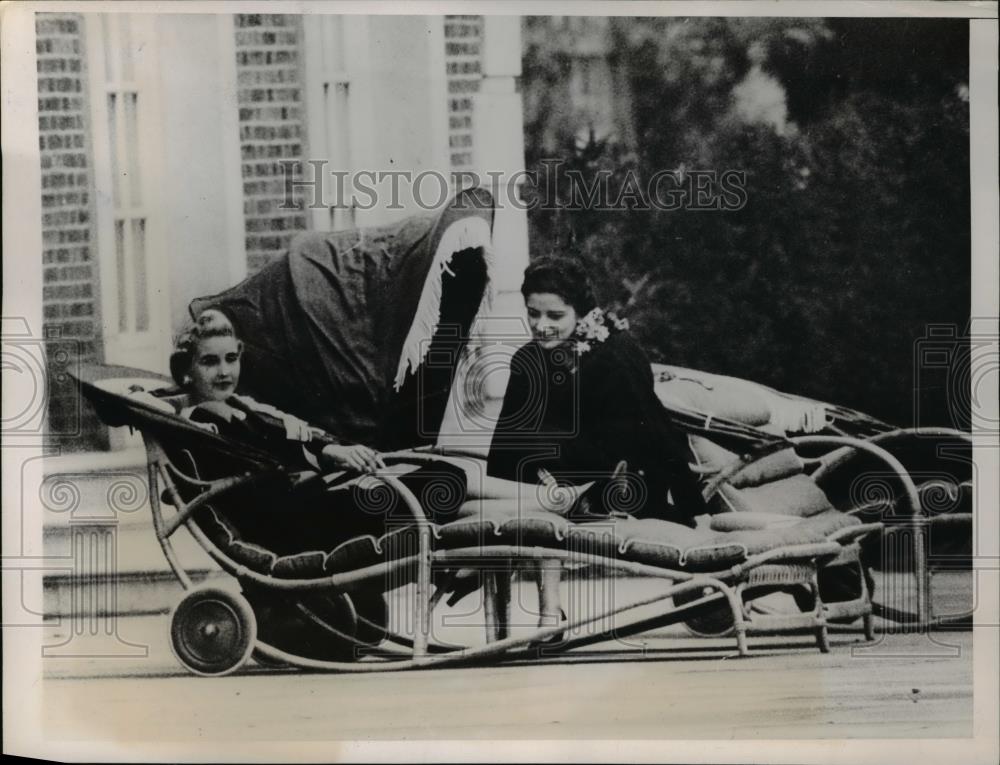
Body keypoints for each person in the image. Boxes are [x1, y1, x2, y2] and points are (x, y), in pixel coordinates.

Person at [161, 310, 591, 550]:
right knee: (441, 481)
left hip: (318, 502)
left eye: (230, 359)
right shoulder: (203, 425)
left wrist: (332, 453)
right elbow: (262, 470)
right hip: (298, 521)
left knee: (441, 483)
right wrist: (329, 456)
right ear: (186, 372)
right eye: (209, 362)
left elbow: (300, 436)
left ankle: (546, 509)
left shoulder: (243, 407)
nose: (224, 372)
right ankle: (548, 502)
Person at [487, 256, 707, 526]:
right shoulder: (528, 358)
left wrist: (694, 507)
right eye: (533, 313)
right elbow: (504, 441)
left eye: (555, 316)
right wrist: (491, 511)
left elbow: (656, 429)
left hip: (620, 480)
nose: (541, 326)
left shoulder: (615, 355)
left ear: (581, 312)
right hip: (546, 474)